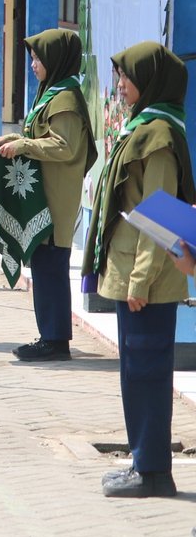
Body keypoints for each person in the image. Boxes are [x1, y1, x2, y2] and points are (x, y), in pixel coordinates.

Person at [82, 42, 193, 499]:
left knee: (147, 371)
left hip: (144, 279)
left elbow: (160, 218)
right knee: (135, 370)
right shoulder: (143, 128)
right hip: (130, 272)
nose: (121, 86)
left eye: (127, 77)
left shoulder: (160, 137)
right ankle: (141, 462)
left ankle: (152, 471)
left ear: (149, 80)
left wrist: (140, 281)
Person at [0, 29, 95, 362]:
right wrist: (16, 139)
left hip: (56, 196)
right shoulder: (52, 92)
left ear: (57, 60)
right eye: (32, 58)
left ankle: (55, 340)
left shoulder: (66, 99)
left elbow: (65, 146)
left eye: (38, 58)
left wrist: (24, 144)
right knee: (46, 265)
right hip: (45, 192)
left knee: (51, 266)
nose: (33, 65)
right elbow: (44, 136)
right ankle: (50, 335)